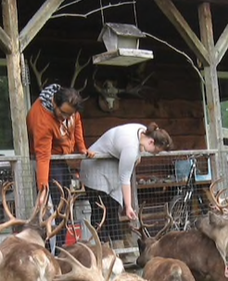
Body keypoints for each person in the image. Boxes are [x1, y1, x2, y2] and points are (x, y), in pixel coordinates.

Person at [80, 122, 173, 244]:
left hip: (110, 169)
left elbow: (136, 152)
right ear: (151, 142)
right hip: (94, 168)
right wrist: (128, 206)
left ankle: (119, 249)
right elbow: (125, 178)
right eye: (156, 151)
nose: (155, 154)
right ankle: (102, 249)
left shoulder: (143, 131)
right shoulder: (131, 147)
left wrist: (140, 153)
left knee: (113, 211)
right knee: (99, 212)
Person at [26, 83, 91, 251]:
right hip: (49, 160)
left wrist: (82, 148)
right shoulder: (42, 119)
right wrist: (43, 189)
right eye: (63, 113)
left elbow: (77, 122)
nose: (65, 118)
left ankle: (62, 245)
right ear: (54, 103)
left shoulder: (70, 111)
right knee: (55, 207)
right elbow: (42, 156)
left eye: (69, 114)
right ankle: (53, 249)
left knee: (64, 203)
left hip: (62, 159)